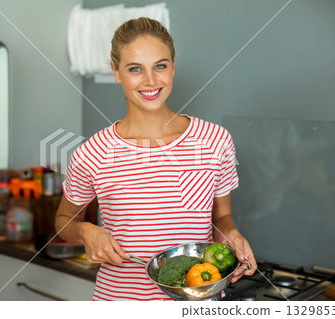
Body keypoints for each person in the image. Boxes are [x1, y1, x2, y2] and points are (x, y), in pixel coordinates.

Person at [55, 17, 256, 301]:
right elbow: (64, 221)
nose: (150, 81)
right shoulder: (93, 152)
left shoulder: (215, 140)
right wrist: (86, 231)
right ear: (116, 72)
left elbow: (221, 217)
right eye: (135, 69)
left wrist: (231, 236)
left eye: (160, 66)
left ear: (173, 67)